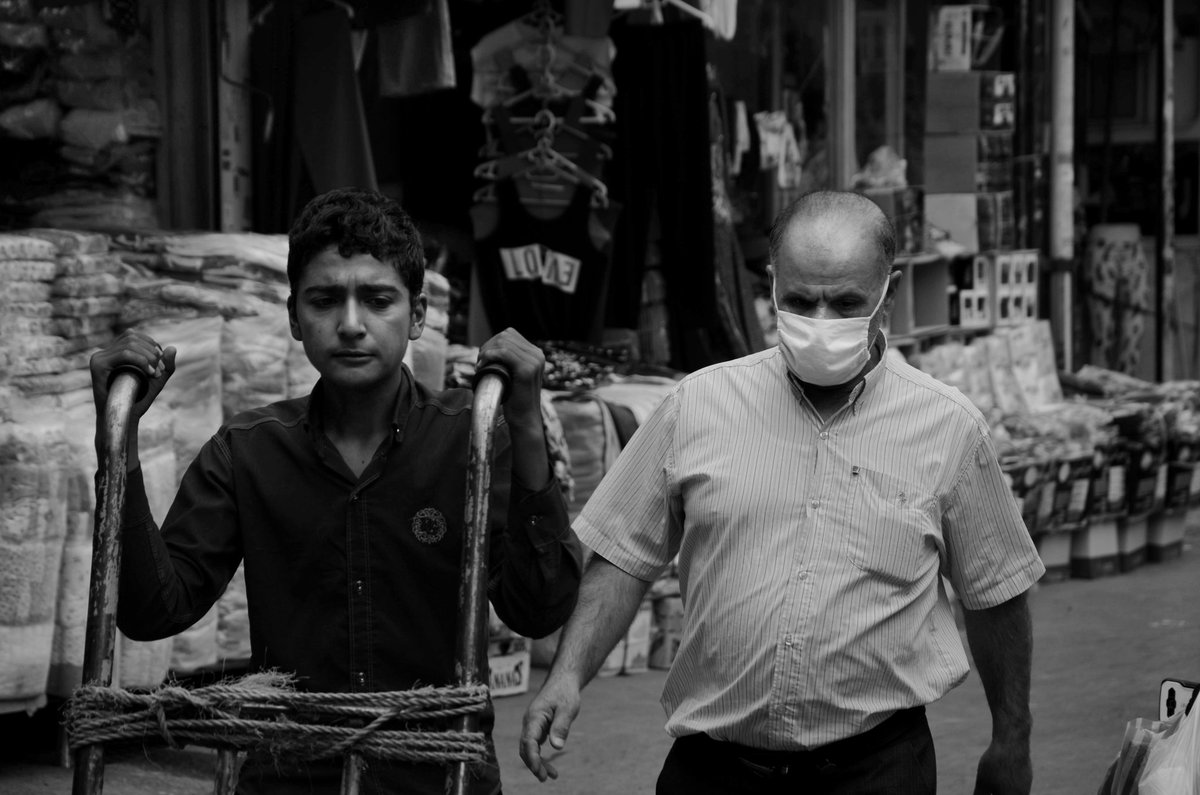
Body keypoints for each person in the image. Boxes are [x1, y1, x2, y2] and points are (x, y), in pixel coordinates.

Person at [519, 190, 1046, 794]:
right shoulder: (699, 404)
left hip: (876, 771)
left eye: (847, 302)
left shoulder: (949, 426)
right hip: (714, 770)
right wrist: (566, 675)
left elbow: (995, 592)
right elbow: (621, 556)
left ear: (888, 295)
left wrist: (1012, 737)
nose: (821, 322)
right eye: (800, 300)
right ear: (771, 287)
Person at [89, 187, 583, 794]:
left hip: (437, 778)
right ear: (295, 317)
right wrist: (120, 442)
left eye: (377, 300)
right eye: (326, 300)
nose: (351, 325)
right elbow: (153, 610)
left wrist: (528, 421)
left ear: (419, 314)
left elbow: (540, 609)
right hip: (291, 776)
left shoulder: (473, 441)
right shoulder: (248, 451)